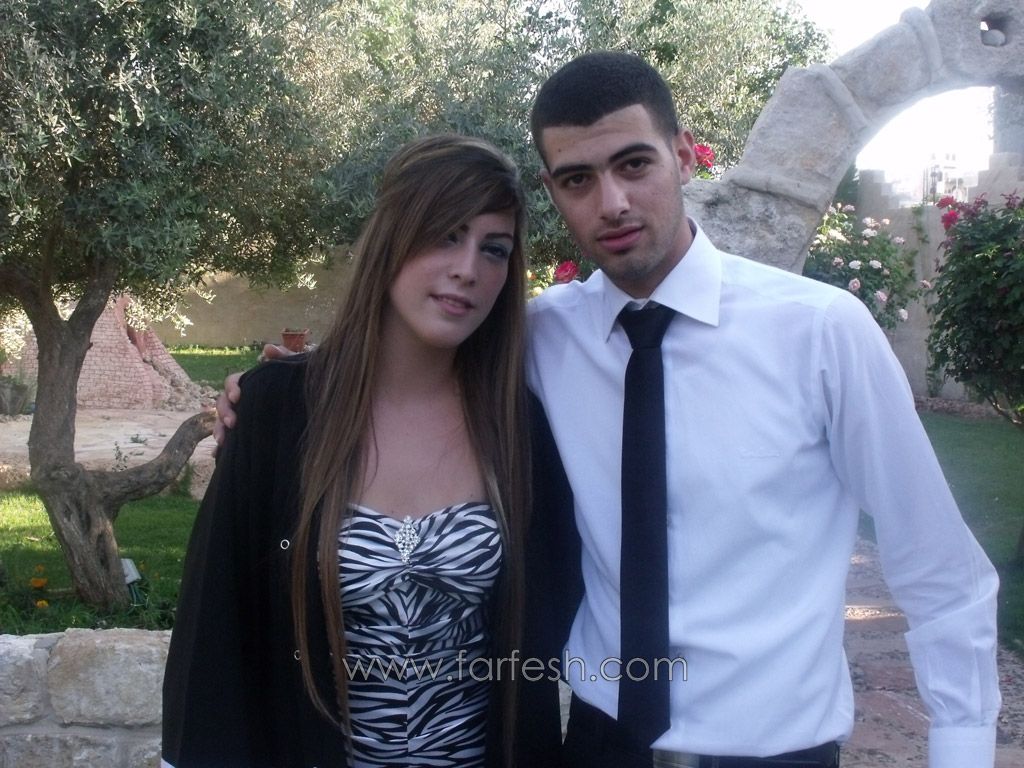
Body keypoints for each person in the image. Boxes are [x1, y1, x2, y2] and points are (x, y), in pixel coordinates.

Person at [217, 53, 1002, 768]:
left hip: (772, 753)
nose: (613, 202)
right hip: (597, 746)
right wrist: (287, 391)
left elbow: (939, 569)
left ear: (684, 155)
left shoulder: (821, 333)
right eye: (578, 179)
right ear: (554, 191)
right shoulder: (543, 336)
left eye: (634, 164)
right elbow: (414, 343)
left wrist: (962, 750)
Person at [162, 134, 532, 768]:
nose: (468, 269)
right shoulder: (278, 409)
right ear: (391, 239)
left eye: (494, 249)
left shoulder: (516, 420)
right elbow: (216, 622)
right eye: (445, 235)